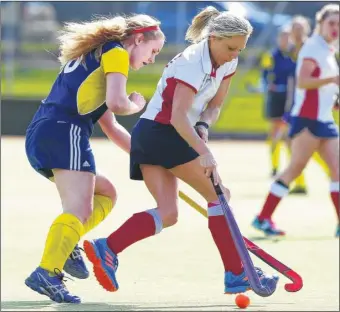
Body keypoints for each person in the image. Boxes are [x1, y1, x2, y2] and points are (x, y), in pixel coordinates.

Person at [83, 6, 279, 296]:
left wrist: (203, 126)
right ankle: (236, 273)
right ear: (213, 38)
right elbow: (177, 117)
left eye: (239, 50)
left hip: (154, 135)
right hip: (163, 133)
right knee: (219, 195)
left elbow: (214, 106)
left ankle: (108, 248)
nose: (234, 54)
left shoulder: (227, 63)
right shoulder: (191, 62)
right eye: (230, 48)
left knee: (168, 212)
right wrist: (204, 151)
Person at [24, 14, 165, 303]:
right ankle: (47, 272)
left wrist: (146, 159)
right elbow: (117, 103)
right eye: (154, 52)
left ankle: (65, 246)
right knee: (80, 210)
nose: (152, 60)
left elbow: (111, 127)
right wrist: (136, 104)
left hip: (44, 133)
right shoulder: (115, 53)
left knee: (106, 193)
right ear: (138, 39)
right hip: (66, 132)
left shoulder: (97, 56)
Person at [252, 4, 339, 237]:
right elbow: (303, 82)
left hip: (324, 119)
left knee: (337, 171)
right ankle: (262, 218)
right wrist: (335, 79)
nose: (336, 28)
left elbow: (325, 85)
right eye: (332, 23)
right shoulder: (314, 48)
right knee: (294, 169)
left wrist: (334, 97)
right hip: (308, 120)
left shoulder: (328, 49)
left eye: (339, 24)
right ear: (320, 24)